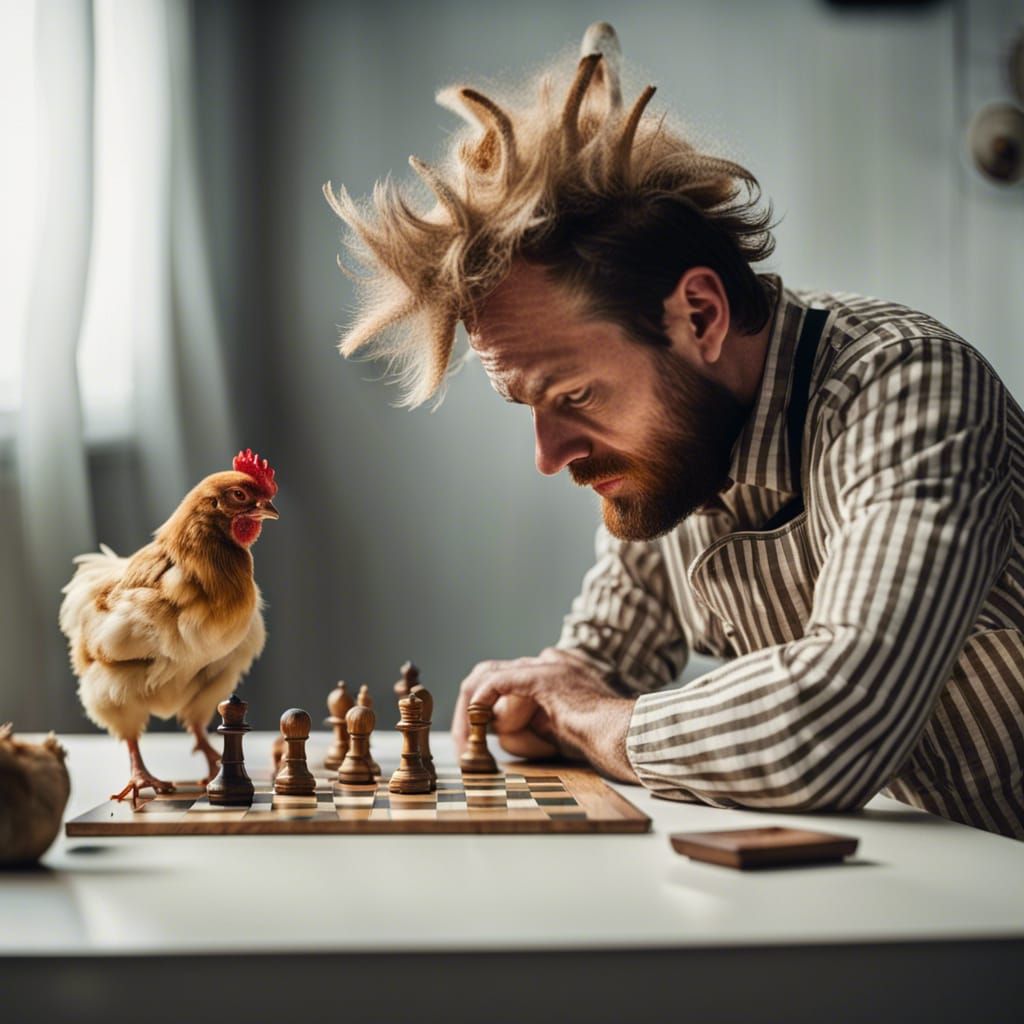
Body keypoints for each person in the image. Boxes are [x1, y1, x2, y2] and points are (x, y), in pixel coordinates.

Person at [324, 23, 1024, 839]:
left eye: (577, 395)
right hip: (934, 884)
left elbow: (834, 726)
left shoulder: (909, 391)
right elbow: (596, 662)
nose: (551, 458)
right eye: (531, 409)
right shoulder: (674, 455)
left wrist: (591, 719)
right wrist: (551, 691)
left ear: (700, 314)